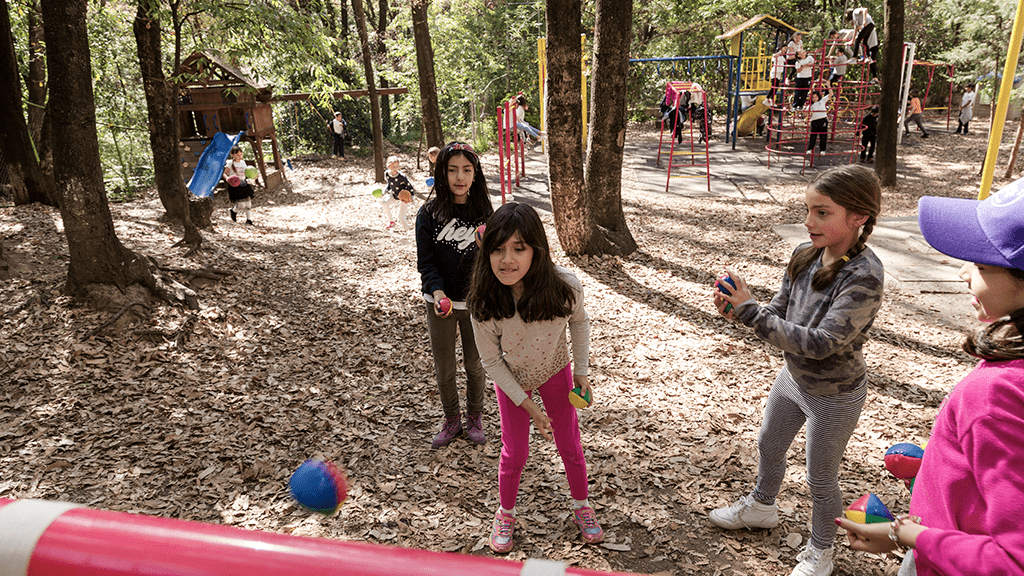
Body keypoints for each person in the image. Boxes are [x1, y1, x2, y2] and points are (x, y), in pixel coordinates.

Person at [838, 181, 1024, 576]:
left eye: (981, 264)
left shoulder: (995, 394)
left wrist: (909, 537)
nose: (962, 272)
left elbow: (1012, 560)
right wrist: (948, 467)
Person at [710, 164, 885, 576]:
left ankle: (821, 552)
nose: (808, 221)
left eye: (822, 212)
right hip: (792, 379)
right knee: (769, 444)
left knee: (820, 479)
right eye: (808, 210)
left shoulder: (865, 275)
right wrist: (740, 312)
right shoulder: (804, 255)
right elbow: (778, 314)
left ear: (858, 217)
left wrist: (750, 312)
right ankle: (761, 507)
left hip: (834, 395)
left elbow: (823, 343)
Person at [468, 202, 603, 554]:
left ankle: (581, 505)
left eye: (518, 248)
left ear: (536, 251)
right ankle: (505, 513)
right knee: (515, 452)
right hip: (512, 379)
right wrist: (529, 406)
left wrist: (581, 371)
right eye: (497, 249)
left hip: (555, 369)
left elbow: (580, 322)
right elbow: (492, 363)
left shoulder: (564, 287)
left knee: (569, 443)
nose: (507, 259)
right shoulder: (483, 301)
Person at [415, 142, 494, 449]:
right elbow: (427, 263)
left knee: (476, 365)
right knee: (445, 368)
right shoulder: (428, 213)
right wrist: (437, 294)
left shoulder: (485, 212)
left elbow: (493, 261)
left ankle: (475, 417)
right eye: (452, 170)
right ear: (441, 173)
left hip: (477, 305)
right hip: (440, 305)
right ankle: (452, 420)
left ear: (475, 174)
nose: (459, 177)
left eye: (466, 170)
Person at [223, 146, 256, 225]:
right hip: (235, 186)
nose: (240, 157)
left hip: (244, 184)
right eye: (238, 155)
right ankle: (233, 211)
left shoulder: (243, 163)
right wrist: (227, 179)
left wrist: (253, 177)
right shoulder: (230, 164)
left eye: (241, 155)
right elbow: (224, 174)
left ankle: (248, 220)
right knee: (241, 205)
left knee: (248, 203)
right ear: (233, 155)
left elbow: (247, 173)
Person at [382, 156, 416, 231]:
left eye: (397, 166)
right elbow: (389, 184)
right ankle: (391, 222)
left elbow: (410, 187)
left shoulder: (402, 177)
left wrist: (412, 197)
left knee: (400, 216)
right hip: (394, 195)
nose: (395, 168)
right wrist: (384, 192)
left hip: (404, 197)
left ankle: (406, 231)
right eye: (393, 166)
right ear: (389, 166)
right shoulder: (387, 174)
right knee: (384, 203)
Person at [846, 7, 879, 80]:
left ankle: (854, 58)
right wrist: (852, 40)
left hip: (868, 24)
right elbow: (855, 30)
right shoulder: (856, 20)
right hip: (870, 25)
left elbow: (865, 9)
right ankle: (868, 57)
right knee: (864, 42)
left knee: (858, 40)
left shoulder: (855, 11)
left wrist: (864, 21)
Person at [806, 91, 831, 155]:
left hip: (823, 120)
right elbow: (806, 113)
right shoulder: (811, 105)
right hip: (814, 121)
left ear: (818, 97)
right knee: (813, 136)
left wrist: (828, 85)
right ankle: (810, 149)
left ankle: (822, 150)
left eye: (815, 97)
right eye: (813, 97)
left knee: (823, 135)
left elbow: (831, 94)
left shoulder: (822, 101)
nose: (814, 98)